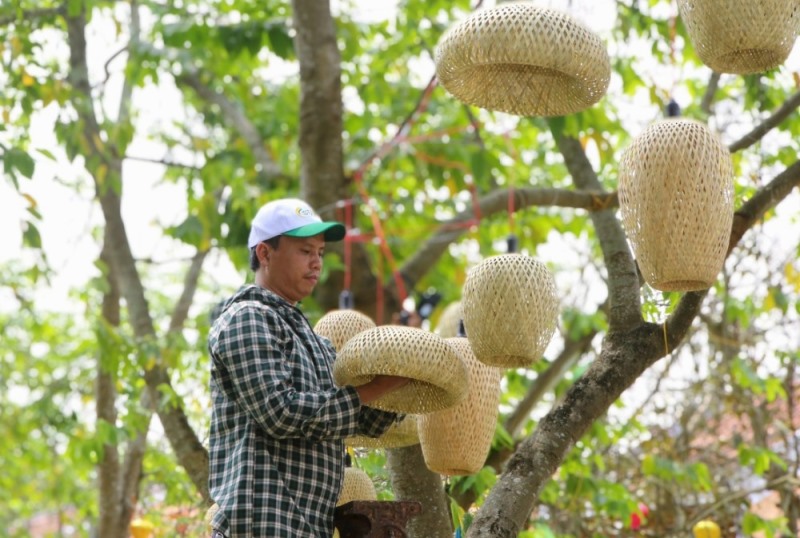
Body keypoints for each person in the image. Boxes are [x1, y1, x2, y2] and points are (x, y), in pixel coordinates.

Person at [207, 198, 409, 538]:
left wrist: (403, 380)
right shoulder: (247, 318)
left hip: (306, 527)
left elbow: (361, 421)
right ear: (264, 254)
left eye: (320, 253)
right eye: (304, 251)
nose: (316, 263)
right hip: (261, 525)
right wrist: (373, 389)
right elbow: (280, 412)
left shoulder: (316, 343)